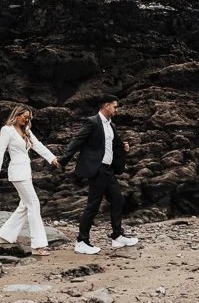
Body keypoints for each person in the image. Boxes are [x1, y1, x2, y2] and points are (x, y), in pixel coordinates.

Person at [58, 95, 139, 254]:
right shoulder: (93, 122)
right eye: (115, 107)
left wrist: (124, 147)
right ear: (107, 106)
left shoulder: (111, 125)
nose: (116, 110)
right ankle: (81, 241)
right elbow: (77, 141)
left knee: (118, 200)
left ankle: (117, 236)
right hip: (97, 170)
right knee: (93, 206)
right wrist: (63, 160)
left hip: (108, 170)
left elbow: (113, 145)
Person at [0, 104, 61, 255]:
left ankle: (5, 235)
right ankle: (38, 245)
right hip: (17, 173)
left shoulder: (26, 130)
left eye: (29, 117)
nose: (27, 120)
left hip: (26, 172)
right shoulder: (7, 130)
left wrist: (52, 158)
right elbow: (0, 152)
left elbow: (38, 146)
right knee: (34, 204)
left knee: (24, 205)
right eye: (25, 117)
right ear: (17, 115)